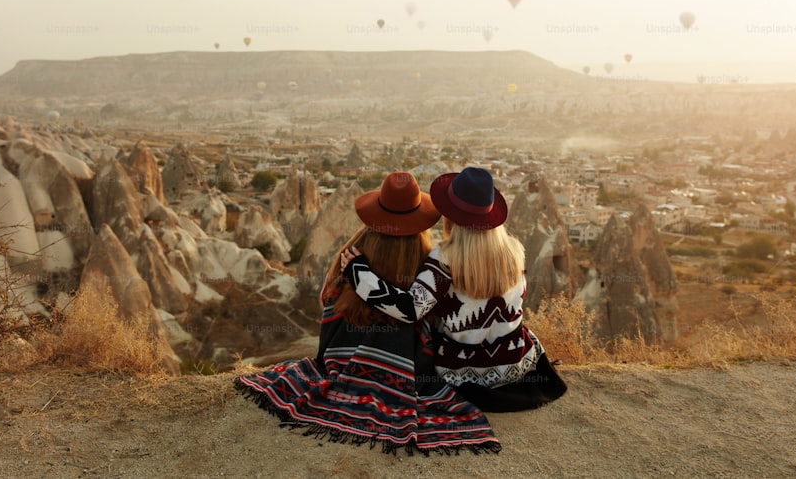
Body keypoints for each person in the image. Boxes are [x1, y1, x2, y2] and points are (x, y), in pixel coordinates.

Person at [235, 171, 500, 454]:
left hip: (340, 349)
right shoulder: (428, 261)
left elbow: (328, 297)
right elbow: (430, 313)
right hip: (404, 360)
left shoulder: (351, 255)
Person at [341, 167, 567, 412]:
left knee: (423, 326)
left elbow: (408, 309)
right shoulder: (514, 251)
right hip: (515, 363)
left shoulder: (445, 259)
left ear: (450, 216)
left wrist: (358, 272)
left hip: (461, 373)